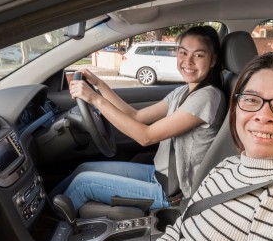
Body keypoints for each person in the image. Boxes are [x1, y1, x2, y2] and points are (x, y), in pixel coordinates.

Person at [21, 52, 273, 241]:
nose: (263, 115)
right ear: (238, 108)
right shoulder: (231, 168)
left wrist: (94, 99)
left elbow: (145, 135)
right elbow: (178, 233)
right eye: (251, 100)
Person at [53, 25, 226, 212]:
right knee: (84, 168)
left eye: (198, 55)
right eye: (183, 53)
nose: (188, 61)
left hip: (174, 192)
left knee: (82, 184)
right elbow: (137, 116)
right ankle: (47, 211)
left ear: (213, 60)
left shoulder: (208, 97)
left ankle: (47, 231)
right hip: (159, 175)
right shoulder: (184, 91)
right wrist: (100, 85)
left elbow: (146, 136)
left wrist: (95, 99)